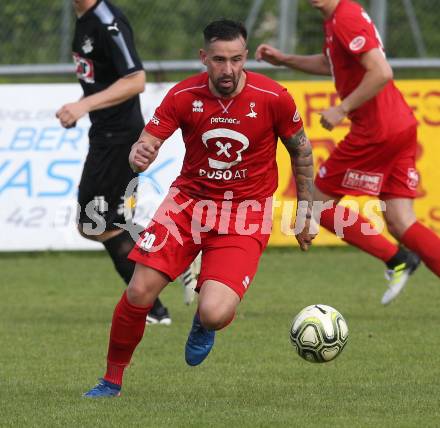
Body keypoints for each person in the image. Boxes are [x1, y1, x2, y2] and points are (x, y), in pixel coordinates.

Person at [83, 18, 316, 398]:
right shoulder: (182, 95)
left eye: (237, 59)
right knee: (140, 290)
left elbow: (301, 153)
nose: (229, 70)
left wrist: (308, 211)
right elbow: (146, 144)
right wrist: (138, 155)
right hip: (187, 206)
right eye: (220, 60)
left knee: (213, 312)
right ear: (203, 57)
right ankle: (111, 380)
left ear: (244, 57)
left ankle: (204, 322)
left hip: (245, 213)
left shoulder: (273, 97)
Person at [256, 0, 440, 304]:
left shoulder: (346, 16)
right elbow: (333, 63)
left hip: (376, 131)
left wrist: (342, 108)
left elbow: (381, 71)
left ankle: (397, 260)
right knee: (400, 220)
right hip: (398, 124)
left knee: (314, 205)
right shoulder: (337, 17)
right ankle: (399, 258)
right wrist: (285, 59)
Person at [55, 0, 195, 324]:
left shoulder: (107, 20)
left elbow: (135, 79)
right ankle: (170, 264)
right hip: (105, 134)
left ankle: (155, 301)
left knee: (98, 223)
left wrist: (83, 106)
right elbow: (104, 79)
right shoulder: (84, 17)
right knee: (101, 224)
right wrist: (81, 106)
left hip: (118, 138)